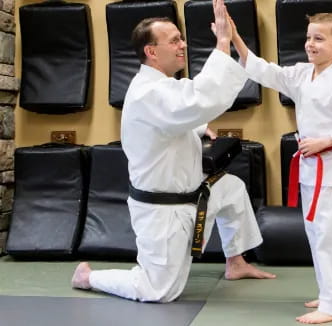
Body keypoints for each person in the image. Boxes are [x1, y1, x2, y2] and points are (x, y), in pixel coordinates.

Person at [71, 0, 275, 302]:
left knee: (232, 188)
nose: (183, 45)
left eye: (182, 38)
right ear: (151, 52)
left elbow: (176, 114)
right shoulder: (149, 92)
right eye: (174, 40)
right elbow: (199, 97)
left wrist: (198, 127)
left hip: (192, 195)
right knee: (159, 291)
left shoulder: (159, 88)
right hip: (163, 211)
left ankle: (236, 262)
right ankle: (88, 277)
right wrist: (222, 41)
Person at [228, 12, 332, 324]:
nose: (310, 44)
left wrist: (324, 142)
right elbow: (266, 71)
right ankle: (328, 292)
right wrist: (234, 37)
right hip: (310, 168)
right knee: (316, 234)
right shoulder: (304, 75)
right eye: (308, 37)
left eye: (319, 38)